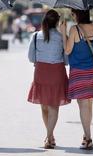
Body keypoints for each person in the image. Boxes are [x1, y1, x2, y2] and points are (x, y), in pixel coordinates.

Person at [28, 9, 70, 149]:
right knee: (53, 106)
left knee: (44, 106)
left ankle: (49, 136)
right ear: (57, 22)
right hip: (57, 71)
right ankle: (49, 136)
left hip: (41, 71)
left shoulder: (35, 36)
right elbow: (66, 60)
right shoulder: (61, 36)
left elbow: (31, 58)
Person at [60, 9, 93, 150]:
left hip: (79, 72)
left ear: (77, 15)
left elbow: (67, 50)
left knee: (83, 105)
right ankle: (86, 134)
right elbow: (82, 44)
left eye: (73, 14)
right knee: (88, 104)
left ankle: (88, 138)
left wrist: (63, 33)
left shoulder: (74, 29)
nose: (72, 16)